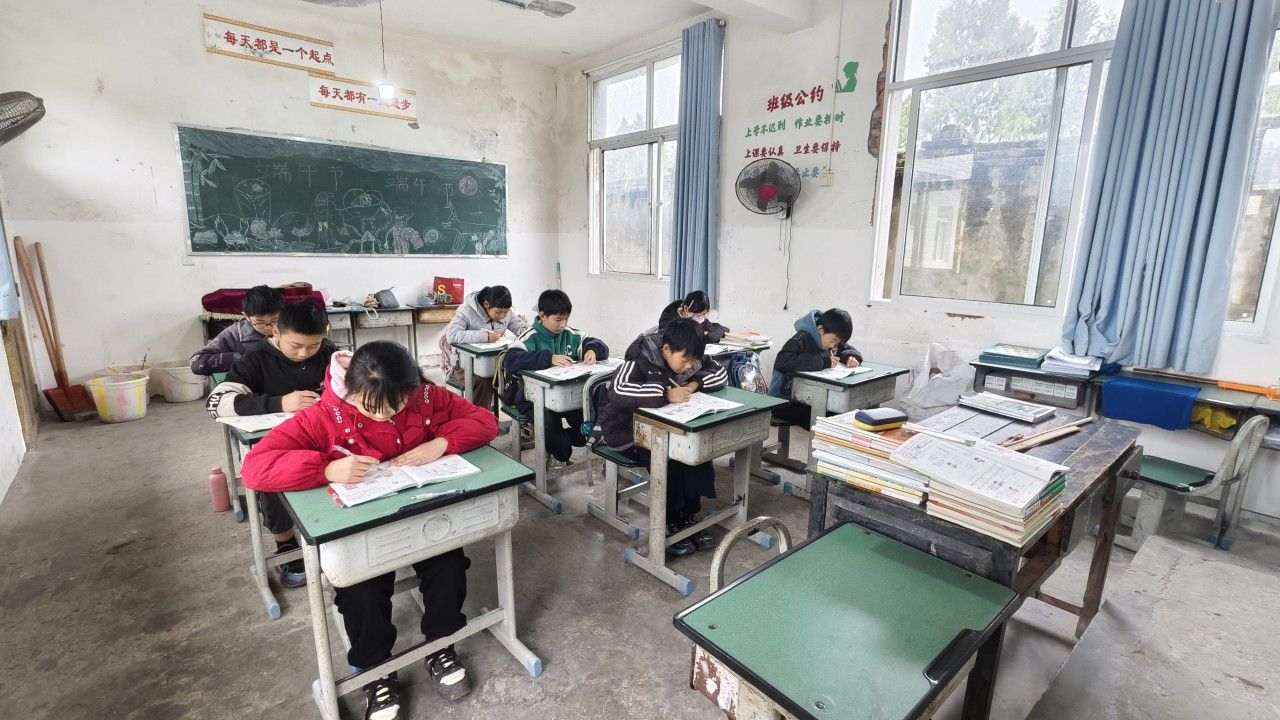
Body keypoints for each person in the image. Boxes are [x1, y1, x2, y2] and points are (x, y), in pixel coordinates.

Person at [240, 341, 498, 719]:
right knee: (361, 588)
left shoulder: (427, 397)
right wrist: (325, 469)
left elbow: (485, 421)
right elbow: (255, 468)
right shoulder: (325, 415)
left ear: (411, 388)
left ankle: (441, 643)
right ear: (351, 390)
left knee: (448, 563)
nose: (383, 415)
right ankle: (375, 669)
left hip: (418, 515)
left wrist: (442, 443)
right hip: (359, 527)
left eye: (396, 405)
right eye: (370, 406)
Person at [206, 300, 337, 588]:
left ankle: (332, 530)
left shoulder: (330, 354)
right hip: (276, 443)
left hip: (320, 435)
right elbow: (216, 403)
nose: (304, 353)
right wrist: (280, 403)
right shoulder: (256, 358)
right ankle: (286, 543)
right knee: (275, 478)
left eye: (313, 346)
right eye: (296, 345)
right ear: (276, 332)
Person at [598, 319, 728, 555]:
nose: (689, 366)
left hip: (666, 430)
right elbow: (617, 390)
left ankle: (688, 517)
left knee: (695, 453)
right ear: (667, 349)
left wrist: (694, 384)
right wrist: (666, 395)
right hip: (625, 431)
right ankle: (668, 523)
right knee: (669, 460)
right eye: (685, 361)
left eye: (693, 362)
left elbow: (720, 374)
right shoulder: (639, 360)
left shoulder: (690, 360)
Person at [501, 289, 608, 464]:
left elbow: (598, 344)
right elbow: (511, 360)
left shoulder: (572, 335)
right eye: (558, 320)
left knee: (590, 431)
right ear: (542, 316)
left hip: (570, 398)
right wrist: (548, 358)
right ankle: (558, 449)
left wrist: (592, 350)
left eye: (566, 319)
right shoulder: (530, 337)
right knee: (561, 447)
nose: (563, 324)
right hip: (535, 400)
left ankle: (558, 441)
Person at [768, 308, 862, 427]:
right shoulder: (800, 339)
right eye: (834, 340)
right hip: (784, 402)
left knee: (843, 415)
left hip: (809, 400)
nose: (833, 346)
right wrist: (823, 362)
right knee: (827, 421)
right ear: (820, 329)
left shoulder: (830, 337)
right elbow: (783, 362)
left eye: (837, 342)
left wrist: (852, 357)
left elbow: (848, 349)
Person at [442, 285, 528, 408]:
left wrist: (524, 330)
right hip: (465, 366)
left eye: (506, 312)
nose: (502, 316)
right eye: (498, 312)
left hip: (496, 363)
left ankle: (518, 413)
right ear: (486, 304)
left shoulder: (506, 313)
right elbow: (452, 335)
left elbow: (517, 325)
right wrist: (485, 336)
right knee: (484, 381)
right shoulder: (466, 311)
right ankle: (478, 417)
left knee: (519, 374)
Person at [190, 285, 285, 375]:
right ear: (246, 316)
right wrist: (242, 359)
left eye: (275, 320)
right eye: (260, 322)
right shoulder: (234, 334)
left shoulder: (288, 325)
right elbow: (196, 362)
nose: (268, 327)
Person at [657, 290, 729, 343]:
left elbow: (721, 329)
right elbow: (668, 339)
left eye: (704, 314)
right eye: (699, 314)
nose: (702, 318)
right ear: (686, 309)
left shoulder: (698, 318)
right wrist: (699, 335)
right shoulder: (669, 319)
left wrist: (709, 336)